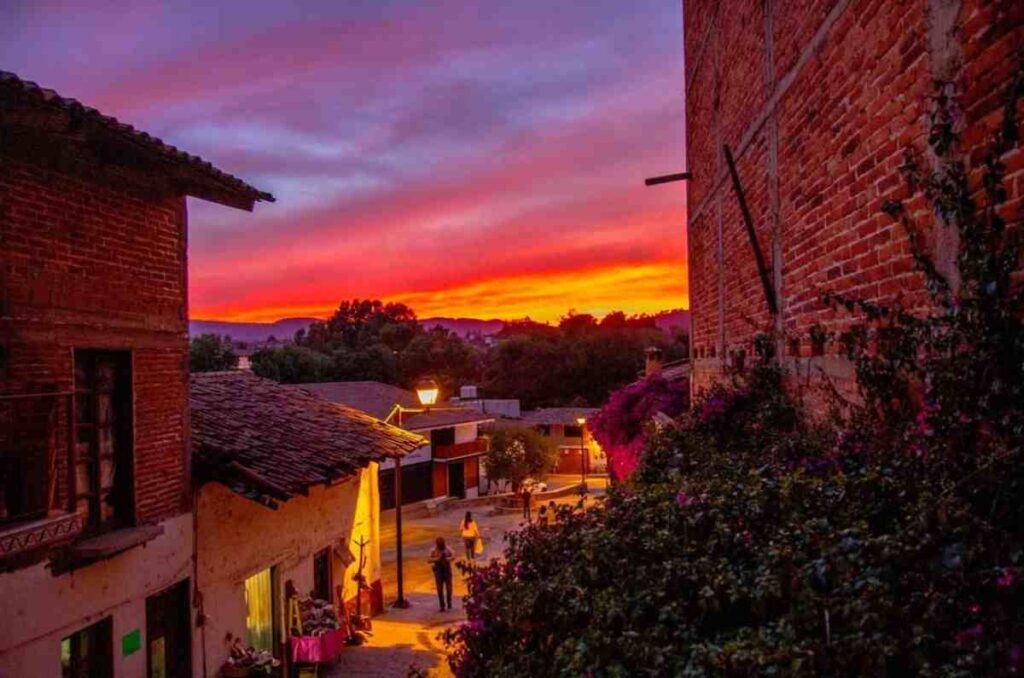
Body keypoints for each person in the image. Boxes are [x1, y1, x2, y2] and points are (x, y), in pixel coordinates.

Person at [427, 537, 454, 611]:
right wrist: (438, 559)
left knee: (449, 588)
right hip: (438, 571)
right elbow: (429, 560)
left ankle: (449, 601)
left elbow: (453, 556)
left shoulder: (447, 549)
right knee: (440, 589)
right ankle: (442, 605)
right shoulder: (433, 550)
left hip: (447, 570)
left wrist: (447, 559)